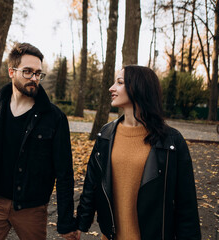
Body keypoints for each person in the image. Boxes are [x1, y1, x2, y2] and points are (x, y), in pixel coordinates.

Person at [75, 65, 201, 240]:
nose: (111, 88)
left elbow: (186, 203)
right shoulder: (106, 134)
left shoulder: (171, 141)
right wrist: (81, 223)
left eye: (119, 82)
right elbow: (92, 184)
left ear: (139, 88)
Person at [0, 42, 77, 240]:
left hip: (31, 208)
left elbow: (64, 173)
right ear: (11, 72)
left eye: (38, 73)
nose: (34, 78)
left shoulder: (54, 118)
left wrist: (65, 221)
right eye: (28, 72)